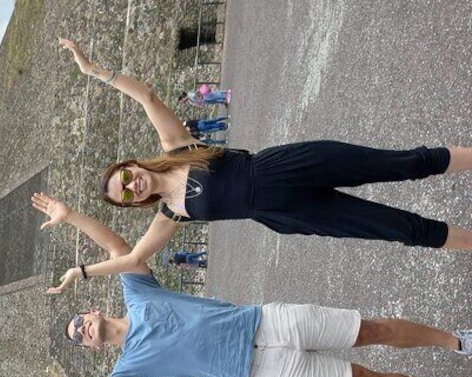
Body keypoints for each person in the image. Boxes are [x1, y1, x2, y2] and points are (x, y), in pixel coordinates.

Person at [0, 193, 472, 377]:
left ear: (95, 310)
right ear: (95, 347)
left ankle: (458, 342)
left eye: (79, 321)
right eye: (79, 338)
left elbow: (120, 249)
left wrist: (72, 214)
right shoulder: (129, 370)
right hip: (264, 372)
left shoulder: (137, 292)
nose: (82, 330)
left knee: (373, 330)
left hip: (269, 323)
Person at [53, 38, 472, 293]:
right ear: (132, 205)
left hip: (286, 166)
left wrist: (92, 70)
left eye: (126, 177)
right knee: (399, 228)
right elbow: (131, 260)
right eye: (126, 195)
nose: (133, 186)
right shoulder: (170, 214)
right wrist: (83, 270)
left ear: (131, 165)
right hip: (286, 213)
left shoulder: (178, 147)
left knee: (406, 163)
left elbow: (145, 95)